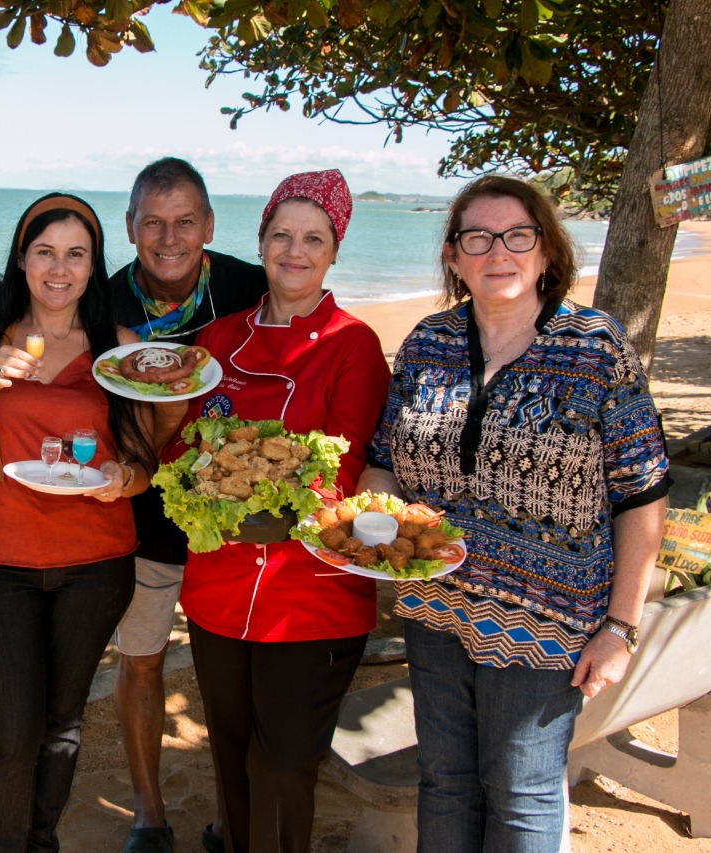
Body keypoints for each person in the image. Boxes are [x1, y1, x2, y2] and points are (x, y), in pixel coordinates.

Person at [358, 175, 670, 852]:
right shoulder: (426, 342)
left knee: (522, 791)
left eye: (517, 235)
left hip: (548, 617)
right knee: (444, 781)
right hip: (435, 605)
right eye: (478, 237)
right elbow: (382, 458)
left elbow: (643, 494)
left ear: (546, 251)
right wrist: (375, 518)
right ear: (453, 254)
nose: (498, 251)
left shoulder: (594, 347)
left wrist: (620, 626)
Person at [172, 169, 390, 852]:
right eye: (282, 236)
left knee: (284, 763)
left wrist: (269, 497)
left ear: (333, 251)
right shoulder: (218, 340)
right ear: (262, 241)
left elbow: (344, 467)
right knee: (232, 754)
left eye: (313, 239)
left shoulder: (353, 344)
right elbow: (187, 447)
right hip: (218, 587)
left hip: (312, 594)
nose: (295, 251)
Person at [0, 193, 157, 852]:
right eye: (45, 252)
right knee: (12, 733)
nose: (60, 268)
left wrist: (123, 479)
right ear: (22, 260)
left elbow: (142, 462)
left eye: (76, 254)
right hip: (2, 562)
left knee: (63, 722)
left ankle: (40, 839)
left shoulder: (119, 350)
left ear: (94, 266)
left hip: (97, 564)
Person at [108, 157, 267, 853]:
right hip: (139, 518)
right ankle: (148, 812)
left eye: (184, 222)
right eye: (152, 223)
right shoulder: (104, 300)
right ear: (130, 227)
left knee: (231, 672)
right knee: (141, 656)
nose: (168, 238)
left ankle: (235, 812)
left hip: (227, 519)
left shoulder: (250, 287)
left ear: (208, 223)